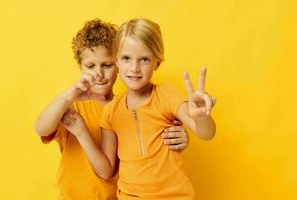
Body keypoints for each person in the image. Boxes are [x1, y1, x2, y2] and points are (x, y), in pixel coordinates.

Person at [35, 18, 190, 200]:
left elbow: (150, 142)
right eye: (90, 66)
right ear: (81, 67)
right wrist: (69, 96)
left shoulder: (125, 108)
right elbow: (41, 128)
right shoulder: (72, 107)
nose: (98, 74)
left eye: (106, 65)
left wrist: (181, 136)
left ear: (118, 63)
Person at [94, 18, 217, 199]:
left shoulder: (166, 95)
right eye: (127, 58)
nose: (134, 68)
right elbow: (107, 167)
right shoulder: (111, 111)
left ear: (157, 63)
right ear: (116, 61)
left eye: (144, 59)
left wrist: (201, 116)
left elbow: (206, 133)